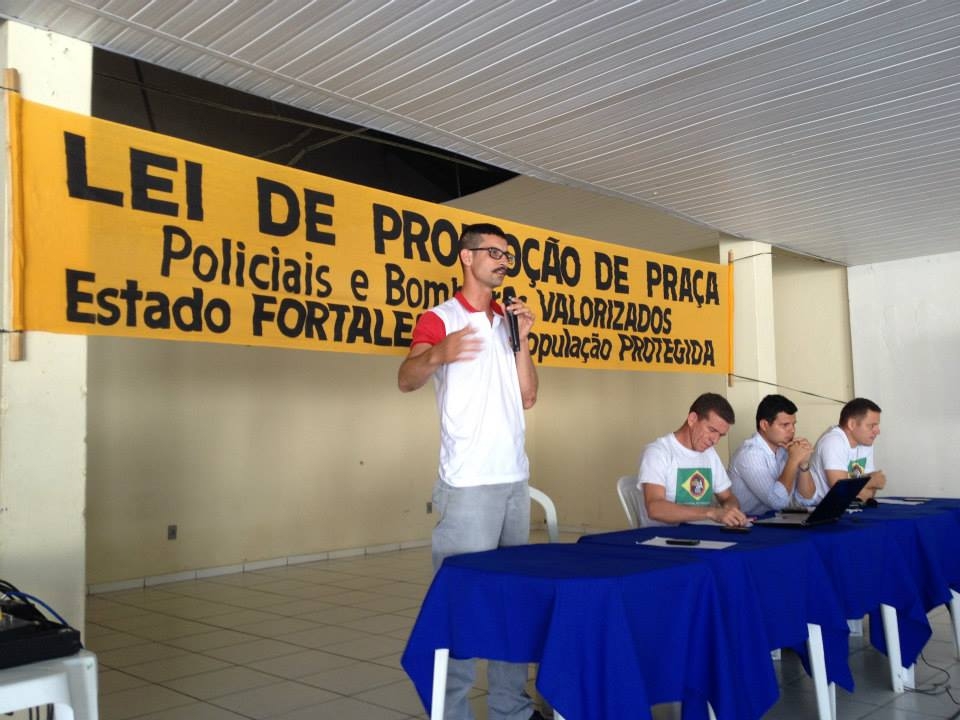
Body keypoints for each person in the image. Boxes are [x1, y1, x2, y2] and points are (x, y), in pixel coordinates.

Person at [398, 222, 544, 720]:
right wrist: (439, 352)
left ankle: (511, 708)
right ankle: (451, 711)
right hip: (467, 485)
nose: (504, 262)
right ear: (466, 256)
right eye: (494, 253)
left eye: (508, 255)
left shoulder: (508, 320)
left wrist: (523, 340)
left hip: (513, 480)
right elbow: (406, 379)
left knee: (512, 602)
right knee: (461, 604)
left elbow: (528, 396)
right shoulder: (440, 318)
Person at [638, 392, 749, 527]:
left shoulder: (710, 453)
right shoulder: (658, 452)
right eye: (712, 430)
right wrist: (711, 513)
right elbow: (655, 508)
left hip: (702, 533)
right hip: (663, 536)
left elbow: (728, 497)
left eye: (721, 435)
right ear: (692, 419)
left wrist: (729, 510)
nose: (715, 440)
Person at [728, 394, 816, 516]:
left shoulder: (785, 450)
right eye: (785, 425)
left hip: (776, 520)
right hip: (747, 523)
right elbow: (777, 502)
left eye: (793, 424)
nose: (792, 430)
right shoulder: (749, 454)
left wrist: (803, 464)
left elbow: (807, 500)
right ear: (764, 425)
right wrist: (793, 460)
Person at [807, 397, 887, 503]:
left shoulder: (865, 442)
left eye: (877, 425)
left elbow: (870, 493)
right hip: (817, 508)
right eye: (871, 426)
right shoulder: (833, 441)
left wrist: (865, 487)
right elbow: (841, 491)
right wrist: (870, 481)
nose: (877, 431)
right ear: (851, 424)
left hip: (847, 506)